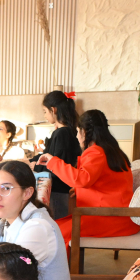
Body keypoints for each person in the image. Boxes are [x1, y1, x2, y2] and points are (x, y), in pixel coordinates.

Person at [37, 109, 138, 245]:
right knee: (53, 229)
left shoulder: (96, 152)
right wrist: (79, 190)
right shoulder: (112, 150)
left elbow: (81, 179)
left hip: (107, 217)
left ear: (84, 132)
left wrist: (53, 161)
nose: (77, 136)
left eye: (78, 131)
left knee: (52, 233)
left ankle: (58, 267)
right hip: (119, 217)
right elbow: (104, 182)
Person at [30, 91, 81, 219]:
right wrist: (32, 160)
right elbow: (48, 155)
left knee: (57, 223)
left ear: (53, 110)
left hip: (59, 190)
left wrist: (35, 166)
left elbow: (57, 165)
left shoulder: (62, 134)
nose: (45, 116)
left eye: (45, 111)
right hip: (59, 189)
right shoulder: (63, 132)